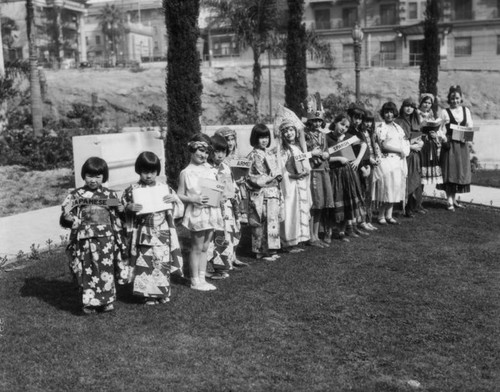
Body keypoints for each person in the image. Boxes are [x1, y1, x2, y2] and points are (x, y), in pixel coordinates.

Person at [60, 157, 128, 315]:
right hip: (85, 238)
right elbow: (65, 214)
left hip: (106, 238)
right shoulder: (76, 195)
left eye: (98, 176)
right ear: (84, 175)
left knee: (106, 268)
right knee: (87, 268)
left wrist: (121, 208)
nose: (93, 180)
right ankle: (89, 302)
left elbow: (119, 215)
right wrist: (68, 218)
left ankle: (107, 301)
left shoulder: (109, 195)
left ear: (104, 176)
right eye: (90, 176)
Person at [121, 151, 184, 305]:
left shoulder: (165, 188)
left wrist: (174, 200)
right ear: (138, 171)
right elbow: (118, 205)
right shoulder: (132, 190)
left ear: (157, 172)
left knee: (161, 263)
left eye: (152, 172)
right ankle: (147, 294)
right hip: (143, 231)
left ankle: (162, 292)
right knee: (145, 262)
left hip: (162, 230)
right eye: (145, 172)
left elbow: (178, 209)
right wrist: (128, 207)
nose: (148, 176)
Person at [177, 134, 224, 291]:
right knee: (196, 247)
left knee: (205, 246)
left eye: (206, 152)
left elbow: (216, 188)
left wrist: (219, 196)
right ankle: (194, 280)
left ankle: (202, 277)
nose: (204, 155)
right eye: (200, 151)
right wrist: (193, 198)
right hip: (197, 212)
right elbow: (179, 194)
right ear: (192, 149)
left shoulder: (210, 169)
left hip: (211, 211)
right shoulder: (186, 172)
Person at [206, 133, 244, 280]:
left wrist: (234, 194)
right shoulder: (208, 169)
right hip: (215, 208)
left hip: (228, 207)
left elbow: (232, 186)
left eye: (223, 151)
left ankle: (225, 264)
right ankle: (214, 266)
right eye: (216, 151)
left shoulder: (226, 168)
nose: (220, 155)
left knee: (228, 234)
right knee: (215, 237)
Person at [325, 114, 367, 242]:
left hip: (348, 173)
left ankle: (342, 232)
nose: (344, 128)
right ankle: (329, 232)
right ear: (335, 122)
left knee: (347, 201)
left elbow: (364, 145)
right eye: (342, 124)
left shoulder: (349, 138)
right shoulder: (326, 137)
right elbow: (324, 156)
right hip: (333, 173)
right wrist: (338, 158)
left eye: (347, 126)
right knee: (334, 202)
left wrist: (358, 160)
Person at [246, 124, 283, 261]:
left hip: (272, 191)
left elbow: (276, 169)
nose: (264, 140)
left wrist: (278, 176)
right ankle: (260, 251)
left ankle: (272, 249)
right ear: (255, 138)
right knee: (260, 221)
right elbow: (249, 175)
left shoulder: (270, 153)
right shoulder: (252, 155)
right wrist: (266, 180)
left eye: (266, 137)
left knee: (272, 220)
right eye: (261, 137)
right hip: (260, 192)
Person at [301, 94, 333, 247]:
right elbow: (305, 152)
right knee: (315, 203)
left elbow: (326, 150)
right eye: (314, 120)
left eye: (319, 120)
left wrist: (327, 154)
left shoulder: (322, 135)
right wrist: (316, 156)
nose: (317, 123)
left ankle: (316, 234)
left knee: (322, 203)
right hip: (313, 171)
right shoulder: (305, 135)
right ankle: (311, 236)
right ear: (310, 121)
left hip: (323, 170)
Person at [372, 101, 410, 225]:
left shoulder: (398, 127)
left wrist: (405, 150)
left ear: (395, 113)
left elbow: (404, 141)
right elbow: (383, 145)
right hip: (386, 161)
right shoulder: (381, 127)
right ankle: (381, 215)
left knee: (395, 187)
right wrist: (399, 150)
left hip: (397, 161)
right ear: (383, 113)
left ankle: (389, 215)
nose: (389, 115)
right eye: (386, 112)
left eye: (391, 112)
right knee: (386, 188)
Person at [437, 85, 473, 211]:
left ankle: (454, 199)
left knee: (459, 172)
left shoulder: (466, 111)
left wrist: (467, 138)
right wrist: (444, 138)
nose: (455, 101)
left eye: (457, 98)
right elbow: (439, 129)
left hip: (462, 146)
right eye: (452, 98)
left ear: (461, 98)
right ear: (449, 99)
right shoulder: (444, 112)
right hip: (450, 146)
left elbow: (470, 127)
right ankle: (449, 201)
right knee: (449, 172)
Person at [277, 120, 311, 252]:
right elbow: (282, 169)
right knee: (291, 211)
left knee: (298, 210)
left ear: (296, 132)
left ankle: (297, 239)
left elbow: (303, 162)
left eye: (291, 130)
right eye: (285, 130)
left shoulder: (297, 148)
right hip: (290, 185)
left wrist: (305, 171)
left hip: (300, 182)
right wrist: (291, 176)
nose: (288, 133)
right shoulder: (282, 150)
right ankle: (288, 242)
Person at [395, 98, 424, 218]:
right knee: (404, 180)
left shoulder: (416, 120)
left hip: (415, 155)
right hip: (403, 155)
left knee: (414, 179)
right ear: (402, 107)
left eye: (411, 107)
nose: (409, 109)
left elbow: (419, 135)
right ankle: (402, 206)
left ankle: (411, 206)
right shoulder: (398, 121)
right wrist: (410, 146)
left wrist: (421, 143)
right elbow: (397, 140)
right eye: (406, 106)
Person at [357, 110, 381, 231]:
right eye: (366, 121)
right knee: (363, 191)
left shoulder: (371, 133)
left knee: (369, 193)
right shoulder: (359, 133)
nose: (368, 124)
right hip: (365, 164)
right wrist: (370, 160)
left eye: (370, 122)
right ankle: (362, 220)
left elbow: (375, 147)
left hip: (371, 164)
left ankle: (368, 219)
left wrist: (377, 158)